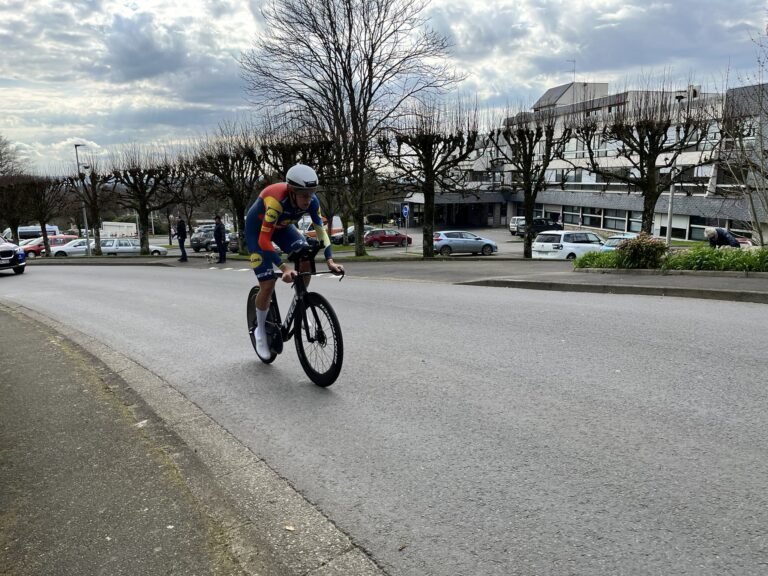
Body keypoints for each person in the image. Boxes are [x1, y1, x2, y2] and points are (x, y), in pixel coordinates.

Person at [245, 164, 344, 359]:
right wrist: (284, 267)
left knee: (306, 255)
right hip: (257, 232)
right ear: (291, 191)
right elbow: (264, 240)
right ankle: (260, 334)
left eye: (312, 194)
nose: (309, 200)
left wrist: (330, 260)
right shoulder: (276, 201)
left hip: (282, 229)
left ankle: (300, 302)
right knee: (267, 284)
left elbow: (321, 230)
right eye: (304, 195)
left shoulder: (312, 201)